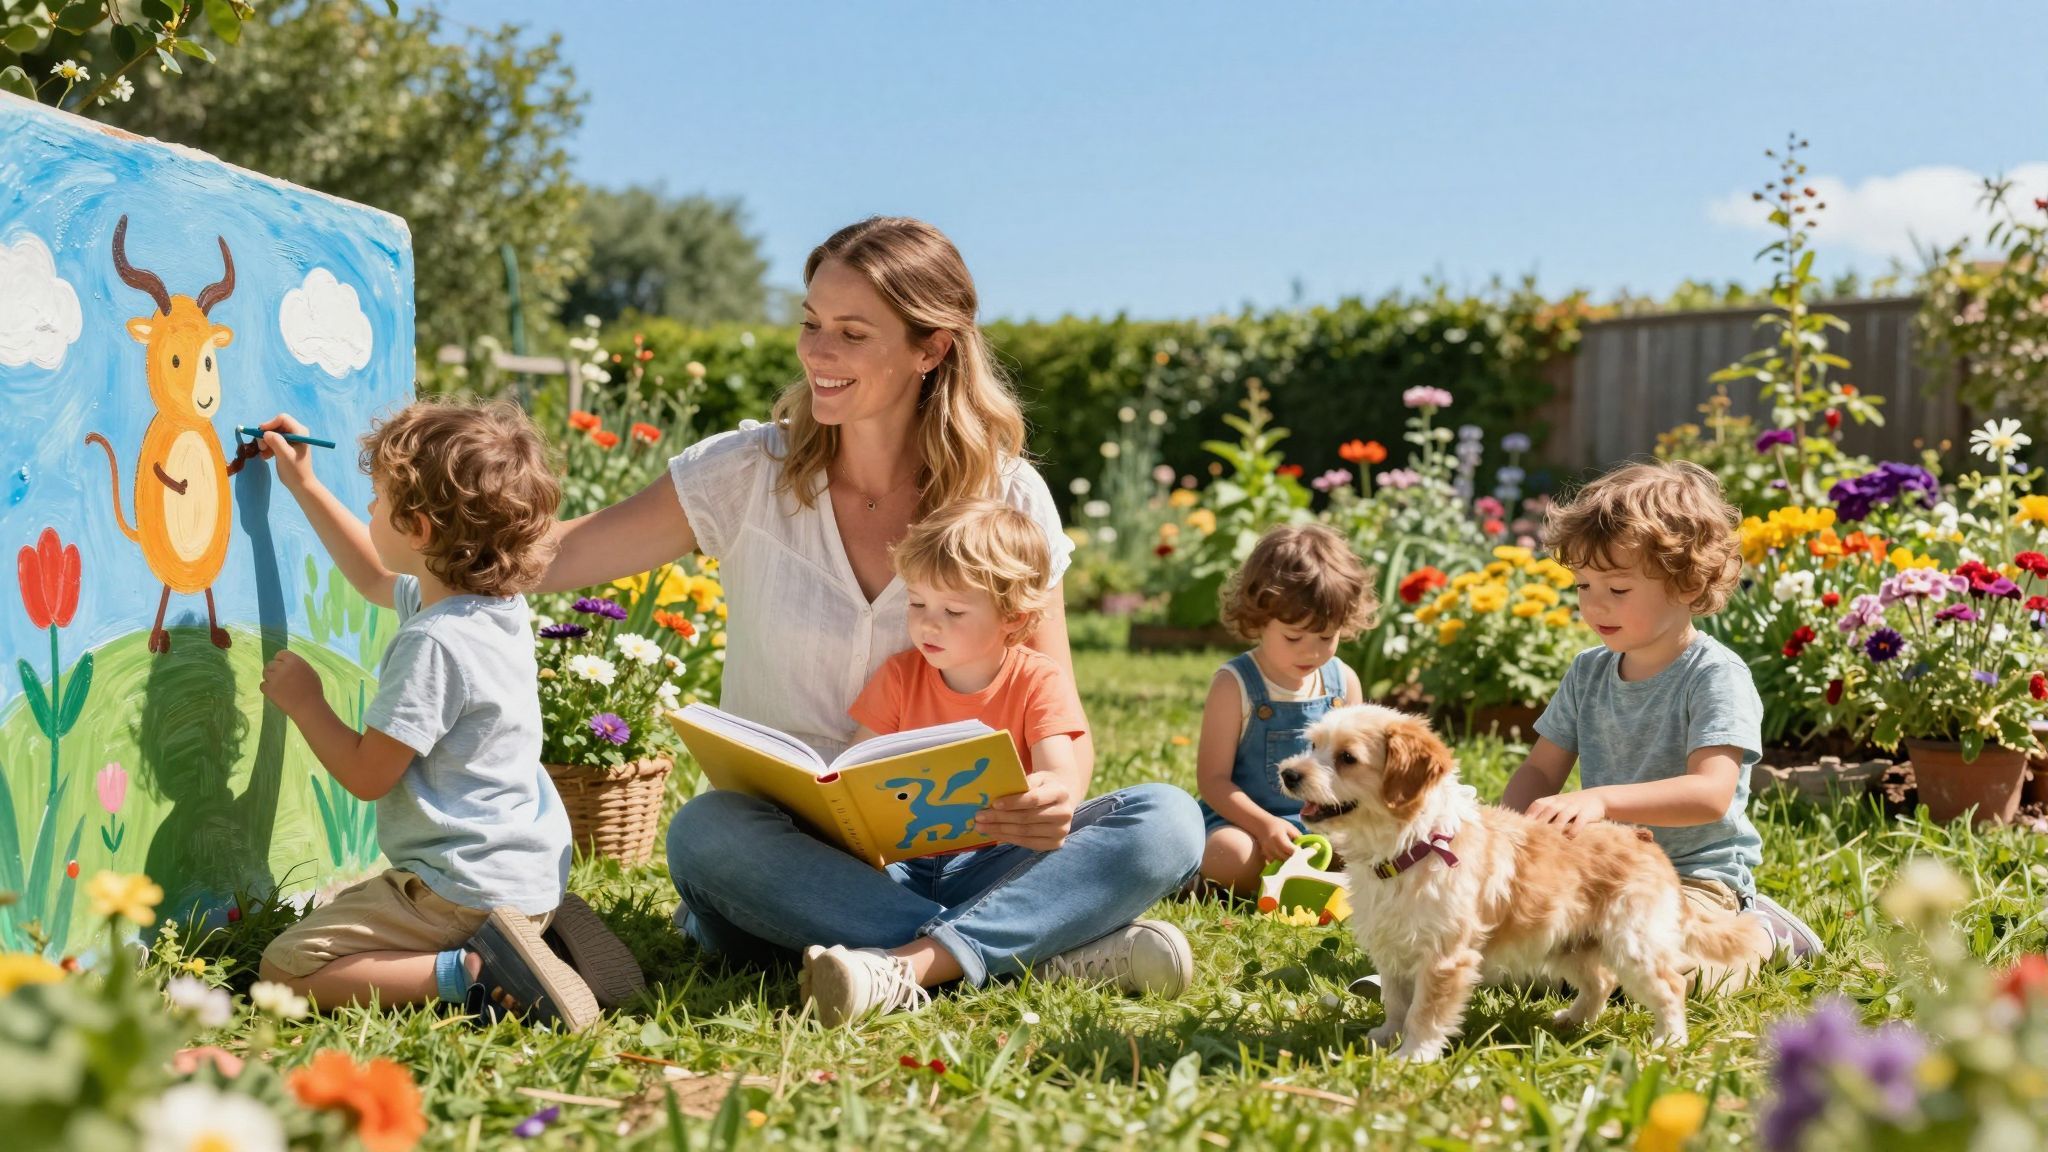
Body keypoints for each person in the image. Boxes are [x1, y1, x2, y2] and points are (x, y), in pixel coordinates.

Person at [531, 217, 1205, 1022]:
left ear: (932, 349)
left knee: (1165, 822)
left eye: (853, 333)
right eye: (812, 324)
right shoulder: (745, 474)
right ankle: (1038, 953)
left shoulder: (1010, 498)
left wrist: (1057, 792)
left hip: (973, 850)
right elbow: (557, 555)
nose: (818, 352)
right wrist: (401, 540)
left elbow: (1053, 700)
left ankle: (913, 962)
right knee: (706, 834)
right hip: (793, 857)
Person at [253, 400, 602, 1030]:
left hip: (460, 888)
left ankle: (475, 972)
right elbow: (369, 575)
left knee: (286, 968)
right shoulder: (494, 606)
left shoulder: (435, 643)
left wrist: (306, 704)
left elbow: (368, 775)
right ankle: (533, 937)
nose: (368, 512)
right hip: (522, 870)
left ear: (416, 529)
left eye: (378, 501)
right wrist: (303, 484)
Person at [1500, 460, 1825, 991]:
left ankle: (1762, 932)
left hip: (1695, 881)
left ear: (1686, 583)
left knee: (1661, 974)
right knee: (1514, 960)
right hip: (1599, 876)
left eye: (1618, 589)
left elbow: (1710, 794)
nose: (1594, 604)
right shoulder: (1588, 671)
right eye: (1583, 585)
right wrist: (1503, 838)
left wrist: (1601, 800)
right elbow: (1540, 768)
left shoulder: (1714, 676)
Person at [1193, 524, 1372, 894]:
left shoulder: (1342, 683)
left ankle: (1306, 879)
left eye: (1327, 636)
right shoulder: (1235, 685)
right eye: (1294, 637)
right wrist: (1264, 826)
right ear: (1259, 620)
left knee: (1370, 847)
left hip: (1324, 821)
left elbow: (1357, 771)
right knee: (1228, 855)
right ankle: (1285, 880)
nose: (1312, 651)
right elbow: (1213, 782)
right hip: (1246, 823)